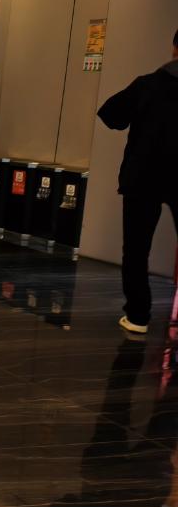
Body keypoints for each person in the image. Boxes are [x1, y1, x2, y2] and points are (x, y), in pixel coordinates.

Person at [97, 27, 178, 335]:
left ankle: (138, 316)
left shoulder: (148, 85)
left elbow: (111, 115)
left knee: (136, 249)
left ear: (174, 48)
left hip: (143, 177)